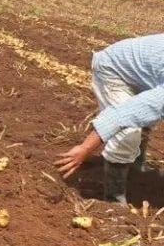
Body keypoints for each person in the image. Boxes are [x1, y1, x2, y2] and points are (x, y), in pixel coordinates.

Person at [55, 34, 164, 203]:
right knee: (129, 133)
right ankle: (114, 198)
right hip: (114, 69)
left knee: (148, 117)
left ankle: (136, 171)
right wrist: (85, 148)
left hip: (144, 72)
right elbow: (123, 114)